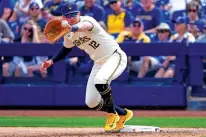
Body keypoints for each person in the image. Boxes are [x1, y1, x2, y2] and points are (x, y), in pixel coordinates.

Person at [40, 2, 133, 132]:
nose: (72, 18)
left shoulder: (88, 20)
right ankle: (123, 113)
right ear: (64, 18)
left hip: (115, 57)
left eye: (74, 14)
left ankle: (112, 115)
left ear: (79, 14)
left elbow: (84, 26)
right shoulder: (68, 33)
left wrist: (71, 28)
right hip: (98, 63)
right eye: (68, 16)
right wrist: (51, 61)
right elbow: (66, 49)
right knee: (91, 102)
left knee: (100, 80)